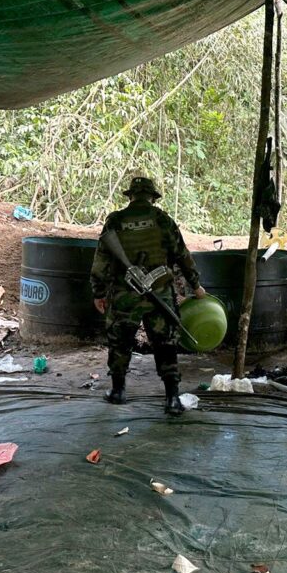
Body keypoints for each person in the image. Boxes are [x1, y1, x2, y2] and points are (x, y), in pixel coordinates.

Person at [90, 172, 206, 414]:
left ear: (131, 196)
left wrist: (98, 291)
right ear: (152, 198)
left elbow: (101, 260)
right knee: (165, 344)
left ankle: (118, 391)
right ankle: (172, 399)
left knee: (120, 343)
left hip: (123, 296)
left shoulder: (115, 221)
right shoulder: (162, 220)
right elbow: (182, 255)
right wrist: (195, 285)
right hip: (160, 294)